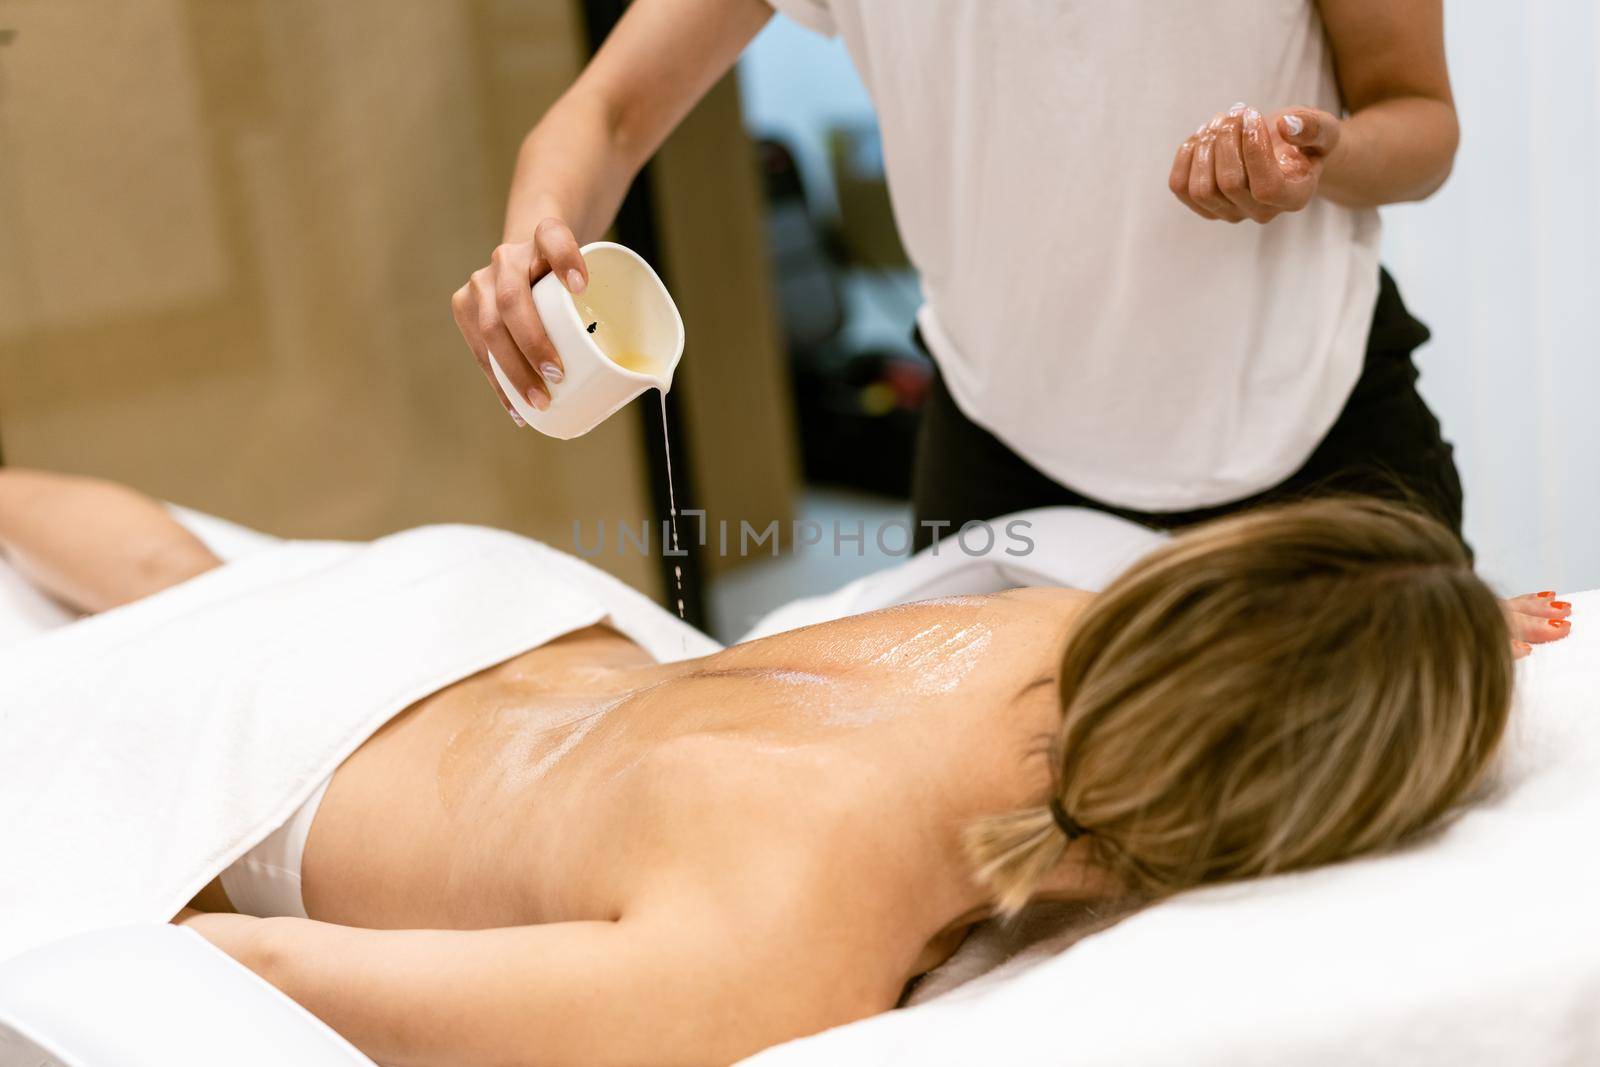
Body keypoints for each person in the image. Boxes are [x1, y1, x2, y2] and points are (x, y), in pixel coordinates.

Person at [0, 469, 1572, 1066]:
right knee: (150, 640)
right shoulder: (788, 942)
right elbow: (234, 961)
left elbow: (1246, 611)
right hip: (322, 764)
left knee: (177, 579)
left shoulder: (1061, 618)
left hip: (476, 599)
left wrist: (1420, 624)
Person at [450, 0, 1470, 551]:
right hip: (1005, 446)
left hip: (1309, 430)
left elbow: (1418, 120)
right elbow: (610, 114)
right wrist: (532, 244)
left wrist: (1318, 158)